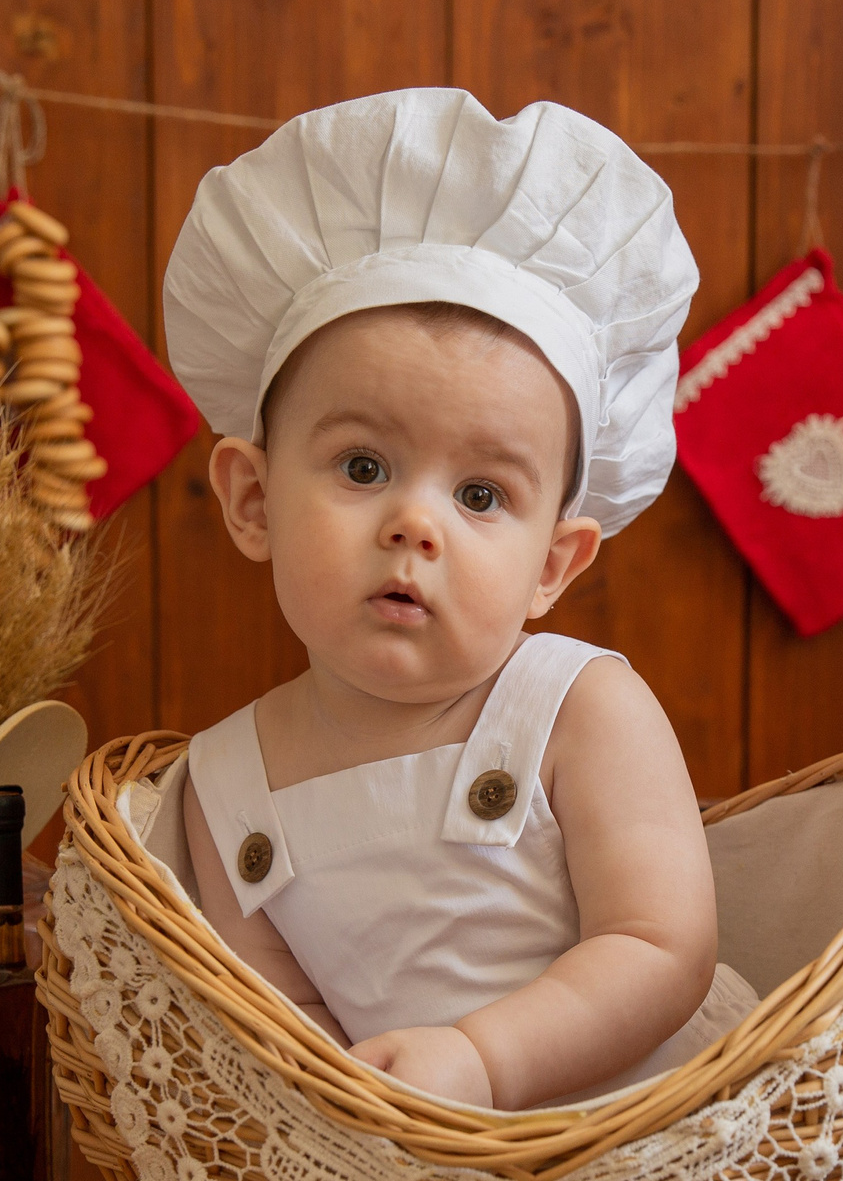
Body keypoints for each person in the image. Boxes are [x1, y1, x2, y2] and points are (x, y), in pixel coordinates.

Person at [160, 88, 754, 1111]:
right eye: (362, 467)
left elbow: (662, 946)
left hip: (655, 1130)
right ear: (252, 500)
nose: (414, 524)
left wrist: (481, 1058)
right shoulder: (223, 790)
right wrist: (357, 1124)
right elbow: (286, 1030)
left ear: (552, 566)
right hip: (411, 1166)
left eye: (480, 495)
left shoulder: (579, 711)